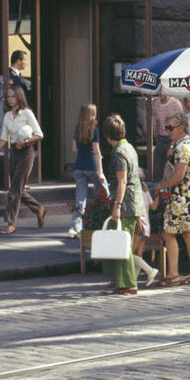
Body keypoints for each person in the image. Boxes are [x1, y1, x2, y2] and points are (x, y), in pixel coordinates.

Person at [150, 112, 190, 286]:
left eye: (170, 128)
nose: (167, 131)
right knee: (189, 234)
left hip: (183, 194)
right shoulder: (184, 144)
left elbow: (178, 175)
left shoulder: (182, 148)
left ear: (181, 128)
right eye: (166, 128)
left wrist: (160, 186)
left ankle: (173, 274)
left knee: (169, 232)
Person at [0, 87, 46, 235]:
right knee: (17, 189)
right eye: (8, 97)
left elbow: (40, 135)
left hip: (26, 152)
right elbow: (4, 139)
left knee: (14, 190)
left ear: (19, 97)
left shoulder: (27, 113)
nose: (10, 99)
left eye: (12, 96)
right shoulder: (7, 116)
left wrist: (24, 142)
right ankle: (39, 209)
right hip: (14, 153)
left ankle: (11, 223)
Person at [101, 113, 146, 295]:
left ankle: (129, 283)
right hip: (134, 202)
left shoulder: (119, 153)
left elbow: (122, 181)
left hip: (126, 203)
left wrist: (117, 205)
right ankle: (121, 281)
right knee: (122, 243)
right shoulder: (129, 147)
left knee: (123, 245)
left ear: (107, 135)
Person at [68, 103, 107, 238]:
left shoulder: (77, 129)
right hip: (92, 166)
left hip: (79, 167)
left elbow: (74, 149)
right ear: (92, 115)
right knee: (104, 194)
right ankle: (104, 223)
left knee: (80, 199)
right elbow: (96, 152)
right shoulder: (94, 130)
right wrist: (101, 171)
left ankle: (74, 228)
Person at [131, 168, 161, 287]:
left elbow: (136, 209)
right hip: (146, 226)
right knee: (138, 254)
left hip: (139, 226)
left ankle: (150, 270)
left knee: (129, 253)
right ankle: (133, 280)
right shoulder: (145, 191)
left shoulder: (135, 192)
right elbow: (153, 207)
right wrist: (158, 197)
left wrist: (138, 224)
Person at [152, 91, 184, 181]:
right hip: (161, 139)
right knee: (157, 169)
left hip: (172, 139)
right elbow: (158, 121)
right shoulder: (157, 104)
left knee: (173, 169)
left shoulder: (176, 104)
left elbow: (180, 126)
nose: (160, 93)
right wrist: (157, 136)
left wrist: (172, 145)